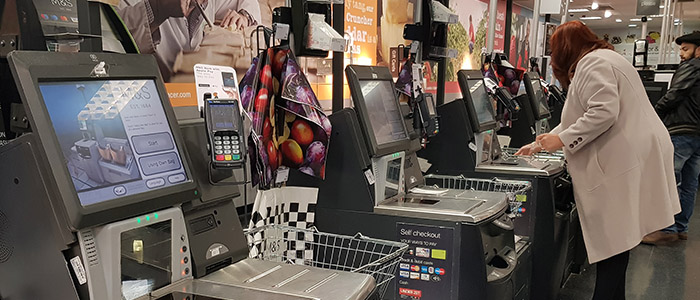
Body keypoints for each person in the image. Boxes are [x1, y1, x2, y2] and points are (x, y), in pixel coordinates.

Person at [516, 21, 680, 299]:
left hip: (625, 158)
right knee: (618, 242)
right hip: (633, 153)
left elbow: (603, 112)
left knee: (613, 242)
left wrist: (562, 140)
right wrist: (542, 143)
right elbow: (581, 116)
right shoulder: (604, 59)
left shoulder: (592, 64)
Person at [644, 32, 700, 244]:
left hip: (681, 130)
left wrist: (653, 112)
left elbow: (675, 94)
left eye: (685, 49)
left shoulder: (693, 67)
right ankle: (681, 227)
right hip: (696, 134)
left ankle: (667, 229)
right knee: (689, 182)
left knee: (668, 180)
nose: (681, 54)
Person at [116, 0, 261, 80]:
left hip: (194, 94)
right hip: (154, 99)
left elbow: (245, 2)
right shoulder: (130, 4)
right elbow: (116, 40)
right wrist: (157, 9)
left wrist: (244, 15)